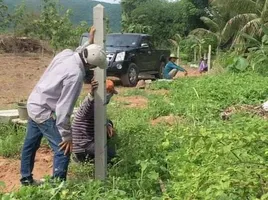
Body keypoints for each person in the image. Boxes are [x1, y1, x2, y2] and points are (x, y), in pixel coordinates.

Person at [20, 29, 107, 186]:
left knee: (30, 144)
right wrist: (67, 136)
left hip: (34, 102)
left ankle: (26, 180)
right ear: (89, 64)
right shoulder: (75, 76)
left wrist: (89, 42)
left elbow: (78, 52)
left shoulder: (66, 54)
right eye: (92, 67)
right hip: (43, 110)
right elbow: (63, 109)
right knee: (63, 149)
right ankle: (58, 188)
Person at [72, 79, 118, 164]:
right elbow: (86, 112)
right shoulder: (90, 103)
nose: (110, 96)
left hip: (88, 141)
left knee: (109, 125)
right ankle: (80, 160)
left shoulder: (99, 104)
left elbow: (102, 118)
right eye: (109, 93)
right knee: (113, 156)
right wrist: (92, 94)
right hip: (83, 146)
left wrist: (108, 124)